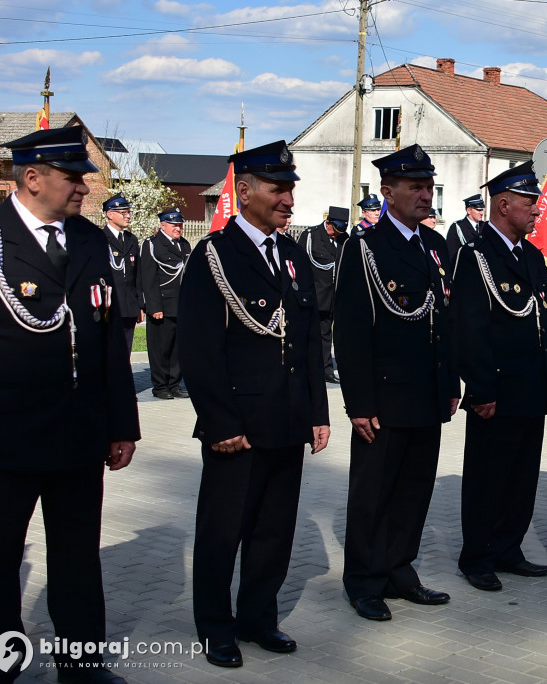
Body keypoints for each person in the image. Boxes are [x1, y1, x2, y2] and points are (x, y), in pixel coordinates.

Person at [0, 126, 139, 684]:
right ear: (32, 178)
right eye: (74, 177)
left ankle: (82, 665)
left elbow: (107, 345)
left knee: (77, 558)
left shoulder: (90, 240)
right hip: (3, 439)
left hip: (78, 433)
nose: (83, 188)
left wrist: (123, 424)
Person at [178, 140, 330, 669]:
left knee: (273, 531)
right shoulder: (214, 255)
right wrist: (220, 421)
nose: (288, 198)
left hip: (287, 419)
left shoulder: (291, 254)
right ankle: (215, 626)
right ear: (244, 190)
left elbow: (309, 338)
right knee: (223, 532)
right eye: (278, 187)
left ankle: (258, 617)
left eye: (290, 188)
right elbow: (199, 349)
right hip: (237, 424)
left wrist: (317, 412)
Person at [334, 144, 459, 621]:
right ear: (387, 193)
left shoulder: (434, 244)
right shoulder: (364, 248)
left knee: (413, 490)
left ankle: (398, 569)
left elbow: (442, 321)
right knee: (373, 492)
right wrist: (359, 403)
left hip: (427, 394)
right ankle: (364, 579)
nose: (425, 195)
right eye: (415, 187)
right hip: (384, 396)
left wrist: (450, 383)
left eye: (429, 186)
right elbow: (350, 331)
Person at [453, 161, 547, 591]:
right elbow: (470, 328)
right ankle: (477, 556)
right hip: (496, 388)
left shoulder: (532, 256)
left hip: (531, 386)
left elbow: (545, 318)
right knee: (488, 477)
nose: (538, 209)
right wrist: (480, 388)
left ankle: (508, 547)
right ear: (503, 204)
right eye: (529, 201)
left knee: (522, 474)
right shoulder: (476, 256)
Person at [140, 207, 190, 400]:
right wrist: (154, 307)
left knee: (178, 349)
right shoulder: (153, 245)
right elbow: (148, 278)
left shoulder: (184, 245)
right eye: (174, 225)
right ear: (163, 225)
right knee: (160, 348)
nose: (178, 228)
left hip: (180, 305)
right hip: (162, 305)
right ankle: (160, 386)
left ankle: (174, 383)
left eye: (180, 224)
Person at [297, 205, 348, 384]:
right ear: (328, 223)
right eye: (335, 229)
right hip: (316, 295)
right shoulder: (311, 237)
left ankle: (326, 370)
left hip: (335, 297)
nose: (337, 234)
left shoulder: (345, 239)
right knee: (310, 333)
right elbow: (301, 265)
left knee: (327, 334)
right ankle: (307, 368)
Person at [102, 193, 143, 350]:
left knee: (126, 348)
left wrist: (139, 304)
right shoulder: (101, 238)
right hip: (110, 303)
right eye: (123, 213)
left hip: (129, 305)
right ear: (110, 214)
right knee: (109, 348)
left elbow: (136, 276)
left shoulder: (131, 239)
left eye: (129, 212)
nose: (128, 216)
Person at [446, 193, 486, 260]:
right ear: (469, 210)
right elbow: (452, 254)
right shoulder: (457, 227)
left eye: (482, 209)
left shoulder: (485, 226)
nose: (482, 213)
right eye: (478, 210)